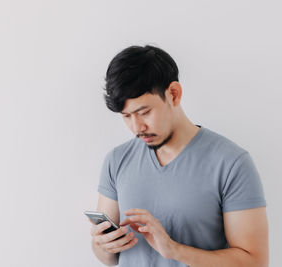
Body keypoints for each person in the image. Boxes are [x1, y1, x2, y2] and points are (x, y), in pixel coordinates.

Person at [89, 45, 268, 266]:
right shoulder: (116, 160)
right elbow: (106, 257)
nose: (137, 127)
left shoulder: (232, 163)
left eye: (144, 112)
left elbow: (255, 262)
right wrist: (103, 246)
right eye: (126, 116)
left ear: (174, 93)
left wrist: (175, 250)